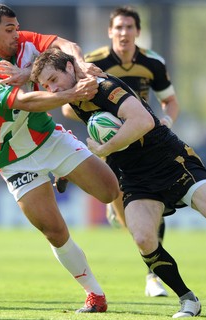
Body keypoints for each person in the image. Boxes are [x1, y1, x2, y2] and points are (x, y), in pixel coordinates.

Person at [30, 48, 206, 318]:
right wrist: (69, 170)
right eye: (47, 85)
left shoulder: (104, 87)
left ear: (70, 67)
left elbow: (143, 121)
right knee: (143, 239)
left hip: (171, 162)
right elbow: (88, 135)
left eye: (54, 79)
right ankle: (188, 299)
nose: (53, 89)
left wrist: (106, 149)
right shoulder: (72, 97)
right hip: (135, 177)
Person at [0, 3, 120, 313]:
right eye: (9, 30)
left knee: (110, 190)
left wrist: (79, 62)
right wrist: (70, 94)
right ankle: (95, 294)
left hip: (48, 139)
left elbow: (64, 45)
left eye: (16, 27)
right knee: (54, 230)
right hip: (14, 159)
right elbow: (26, 101)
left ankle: (64, 171)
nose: (16, 34)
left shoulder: (23, 42)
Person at [60, 5, 179, 298]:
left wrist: (167, 120)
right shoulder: (92, 62)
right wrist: (100, 119)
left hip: (144, 139)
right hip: (111, 141)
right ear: (110, 32)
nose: (124, 33)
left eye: (129, 27)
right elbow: (67, 107)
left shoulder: (154, 63)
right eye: (119, 28)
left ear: (137, 32)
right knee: (120, 202)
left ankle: (153, 276)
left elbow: (170, 102)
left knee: (155, 204)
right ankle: (116, 206)